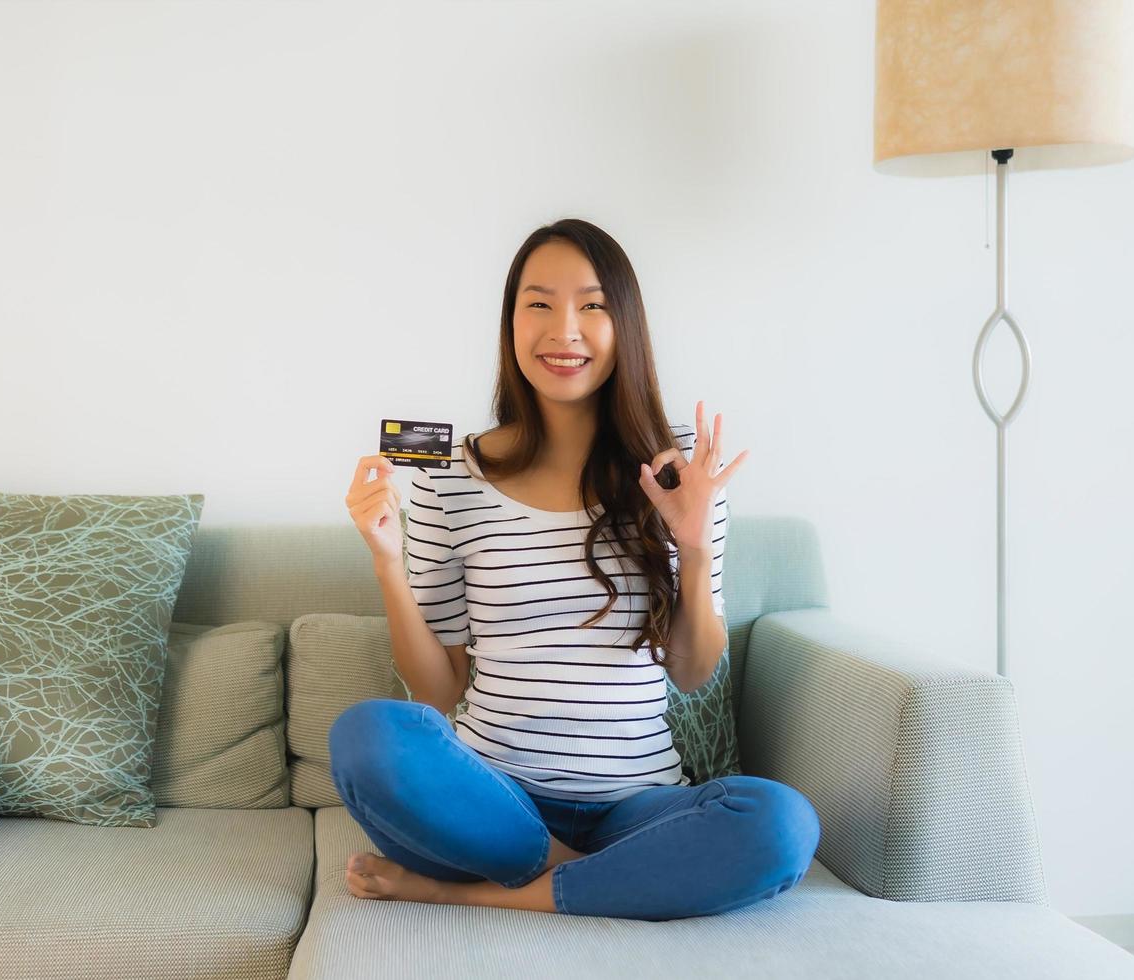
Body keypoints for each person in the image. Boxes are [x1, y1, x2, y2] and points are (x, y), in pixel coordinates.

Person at [335, 217, 820, 921]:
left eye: (592, 305)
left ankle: (466, 892)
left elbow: (692, 672)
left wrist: (693, 544)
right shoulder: (452, 478)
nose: (565, 329)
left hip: (639, 807)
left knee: (781, 823)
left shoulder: (678, 468)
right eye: (539, 303)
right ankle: (606, 882)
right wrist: (387, 561)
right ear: (509, 324)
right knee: (369, 736)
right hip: (492, 802)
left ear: (624, 324)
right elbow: (440, 693)